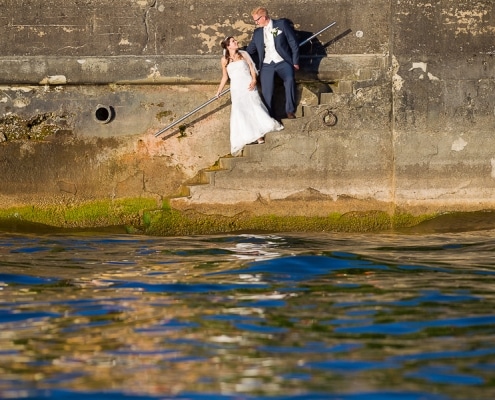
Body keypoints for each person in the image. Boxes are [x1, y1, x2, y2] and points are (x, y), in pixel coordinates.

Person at [216, 36, 283, 157]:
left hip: (248, 84)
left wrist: (253, 80)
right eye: (233, 41)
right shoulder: (224, 60)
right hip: (236, 88)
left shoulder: (243, 54)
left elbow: (252, 68)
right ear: (228, 46)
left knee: (254, 106)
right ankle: (253, 135)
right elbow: (225, 76)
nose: (236, 42)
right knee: (242, 111)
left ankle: (260, 136)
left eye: (236, 40)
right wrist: (219, 90)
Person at [246, 6, 300, 119]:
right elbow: (250, 50)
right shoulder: (257, 33)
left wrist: (295, 61)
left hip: (283, 61)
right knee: (267, 89)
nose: (256, 23)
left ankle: (290, 111)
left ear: (264, 17)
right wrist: (235, 53)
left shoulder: (281, 24)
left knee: (289, 80)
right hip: (267, 64)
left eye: (257, 20)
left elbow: (293, 43)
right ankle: (270, 115)